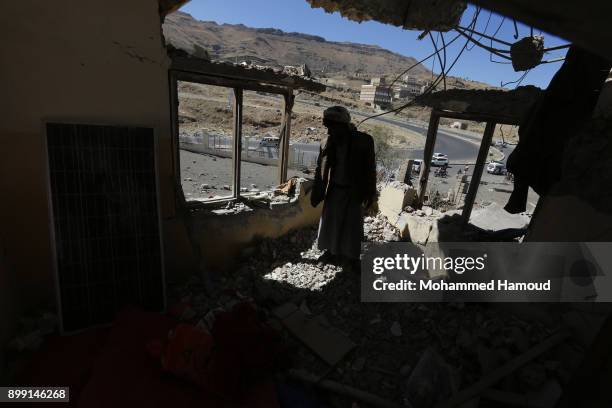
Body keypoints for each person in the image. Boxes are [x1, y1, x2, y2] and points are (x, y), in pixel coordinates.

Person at [310, 106, 377, 270]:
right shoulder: (326, 143)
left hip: (354, 191)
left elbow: (370, 169)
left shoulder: (364, 141)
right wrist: (317, 191)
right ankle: (331, 252)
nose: (329, 130)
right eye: (328, 127)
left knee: (352, 226)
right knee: (330, 223)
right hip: (334, 190)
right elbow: (320, 169)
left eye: (333, 126)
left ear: (343, 125)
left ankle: (352, 257)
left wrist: (370, 193)